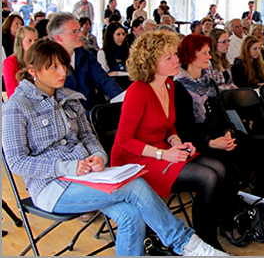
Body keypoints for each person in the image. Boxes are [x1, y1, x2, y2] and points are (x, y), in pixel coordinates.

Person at [2, 39, 228, 257]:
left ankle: (185, 244)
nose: (62, 72)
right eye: (53, 67)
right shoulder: (17, 106)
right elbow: (17, 162)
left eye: (63, 65)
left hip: (90, 176)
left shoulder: (69, 99)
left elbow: (89, 139)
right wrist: (68, 167)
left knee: (131, 216)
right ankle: (185, 243)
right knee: (134, 186)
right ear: (32, 71)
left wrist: (99, 156)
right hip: (52, 187)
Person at [111, 31, 237, 251]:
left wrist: (176, 141)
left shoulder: (169, 85)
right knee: (208, 176)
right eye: (168, 57)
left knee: (220, 168)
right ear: (150, 63)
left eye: (174, 55)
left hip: (161, 150)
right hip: (135, 160)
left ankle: (204, 235)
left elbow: (169, 125)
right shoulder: (138, 91)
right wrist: (164, 153)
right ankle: (204, 242)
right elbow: (123, 141)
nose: (176, 60)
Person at [174, 35, 264, 202]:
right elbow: (185, 130)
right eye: (205, 53)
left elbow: (223, 115)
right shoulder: (180, 88)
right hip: (202, 142)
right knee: (234, 168)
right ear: (190, 56)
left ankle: (257, 206)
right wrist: (211, 142)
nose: (209, 57)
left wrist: (228, 132)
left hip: (221, 136)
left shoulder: (209, 83)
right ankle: (230, 213)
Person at [47, 13, 123, 114]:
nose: (80, 35)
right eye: (74, 32)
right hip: (65, 115)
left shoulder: (86, 55)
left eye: (79, 30)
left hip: (92, 111)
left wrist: (122, 100)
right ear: (58, 38)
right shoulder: (48, 61)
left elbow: (104, 80)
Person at [3, 26, 38, 98]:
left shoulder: (40, 59)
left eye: (36, 40)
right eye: (29, 40)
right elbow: (12, 92)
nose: (33, 44)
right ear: (20, 42)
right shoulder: (10, 62)